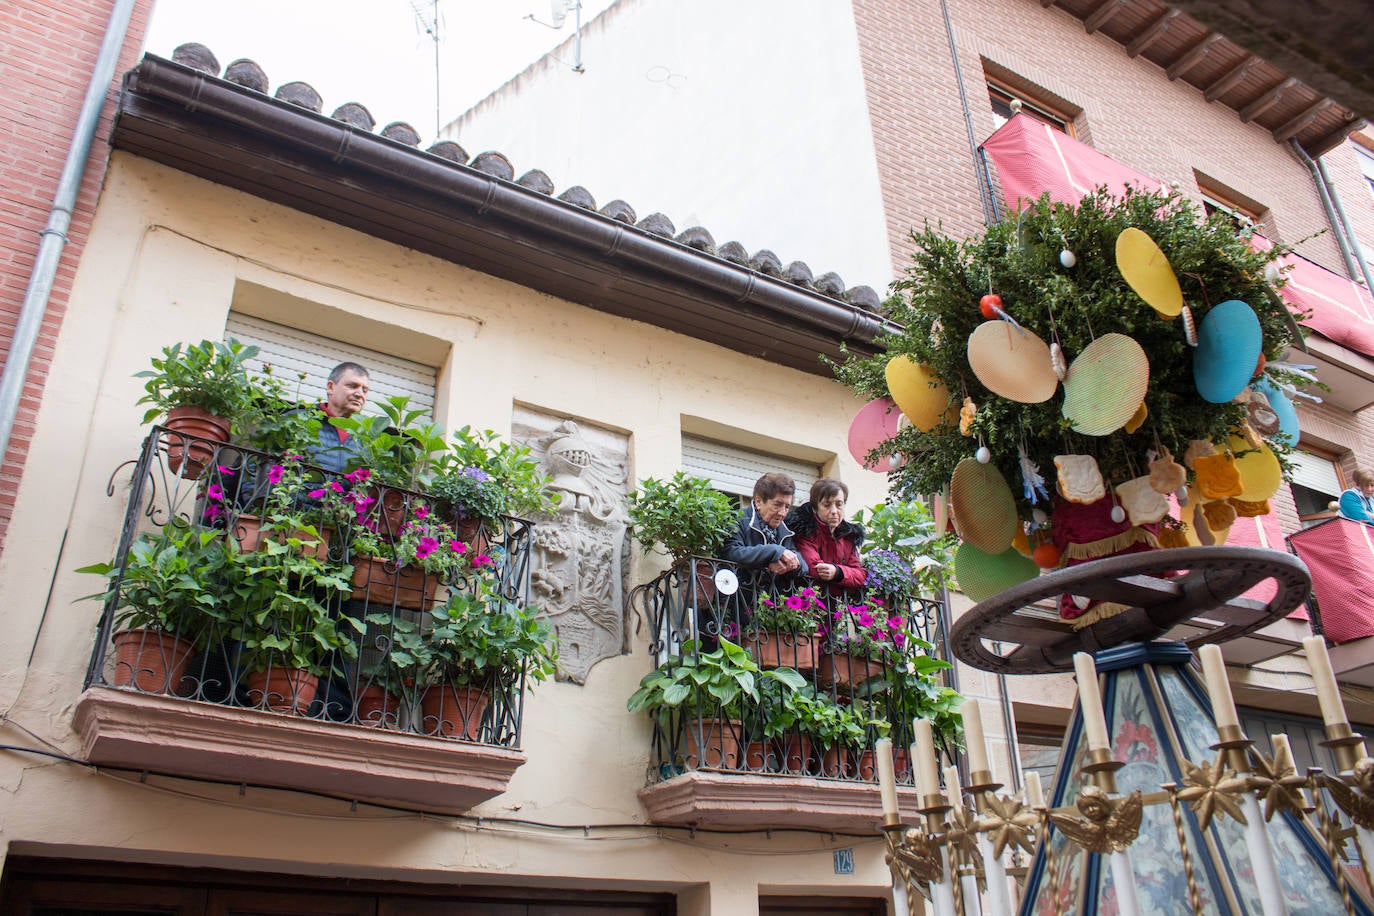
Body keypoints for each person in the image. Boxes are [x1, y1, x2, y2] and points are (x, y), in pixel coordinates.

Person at [721, 472, 808, 578]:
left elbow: (803, 567)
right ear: (758, 502)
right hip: (739, 593)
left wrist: (788, 564)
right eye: (777, 505)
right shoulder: (738, 519)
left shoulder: (784, 531)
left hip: (771, 594)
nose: (782, 513)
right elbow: (731, 553)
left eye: (787, 507)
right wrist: (775, 552)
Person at [786, 477, 866, 591]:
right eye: (827, 505)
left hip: (840, 606)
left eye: (839, 504)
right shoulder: (805, 532)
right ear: (815, 508)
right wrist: (843, 573)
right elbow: (816, 569)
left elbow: (861, 575)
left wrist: (838, 572)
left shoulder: (848, 537)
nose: (834, 511)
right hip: (810, 603)